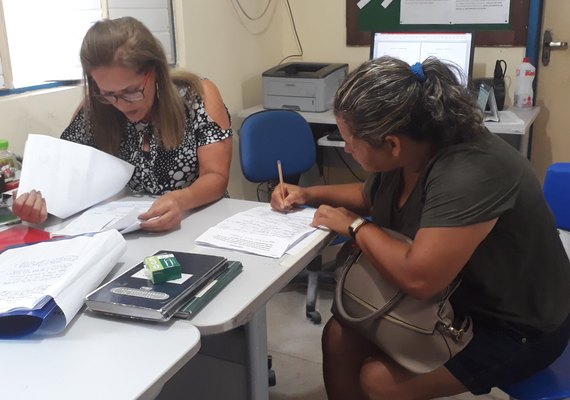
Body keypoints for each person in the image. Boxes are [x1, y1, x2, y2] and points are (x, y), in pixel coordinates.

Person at [271, 56, 570, 399]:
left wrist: (353, 225)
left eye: (350, 141)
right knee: (338, 337)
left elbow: (420, 278)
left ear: (392, 143)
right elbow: (371, 196)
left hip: (516, 326)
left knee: (377, 381)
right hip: (457, 298)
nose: (347, 149)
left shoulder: (471, 171)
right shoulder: (416, 146)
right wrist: (308, 193)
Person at [13, 17, 232, 232]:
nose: (122, 105)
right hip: (130, 232)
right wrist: (36, 203)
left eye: (131, 91)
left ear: (154, 72)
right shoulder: (95, 110)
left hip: (199, 222)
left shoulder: (196, 97)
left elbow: (216, 177)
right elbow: (58, 177)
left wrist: (180, 200)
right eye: (108, 94)